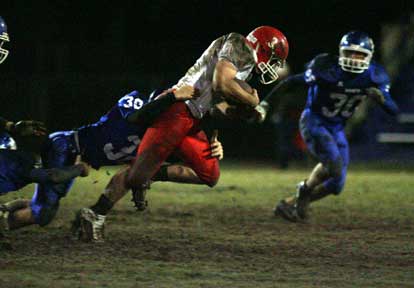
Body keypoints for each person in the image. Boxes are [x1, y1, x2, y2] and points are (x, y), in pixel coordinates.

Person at [75, 25, 289, 242]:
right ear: (264, 47)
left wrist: (243, 114)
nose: (272, 66)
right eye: (274, 58)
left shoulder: (244, 65)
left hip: (192, 116)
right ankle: (95, 213)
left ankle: (149, 172)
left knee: (209, 173)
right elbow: (221, 83)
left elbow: (216, 108)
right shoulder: (238, 44)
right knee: (136, 176)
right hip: (177, 108)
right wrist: (252, 99)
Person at [1, 85, 224, 235]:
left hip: (77, 154)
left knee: (43, 206)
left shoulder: (162, 135)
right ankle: (4, 222)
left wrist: (214, 148)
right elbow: (138, 116)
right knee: (43, 213)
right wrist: (171, 97)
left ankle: (6, 209)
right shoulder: (137, 102)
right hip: (66, 147)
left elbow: (148, 166)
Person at [255, 31, 399, 222]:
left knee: (337, 185)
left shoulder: (374, 75)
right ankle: (304, 190)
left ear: (369, 56)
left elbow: (393, 110)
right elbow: (291, 81)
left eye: (360, 54)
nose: (354, 59)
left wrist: (382, 100)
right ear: (341, 53)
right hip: (314, 121)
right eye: (350, 53)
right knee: (335, 164)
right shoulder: (326, 67)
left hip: (337, 128)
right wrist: (265, 103)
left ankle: (290, 203)